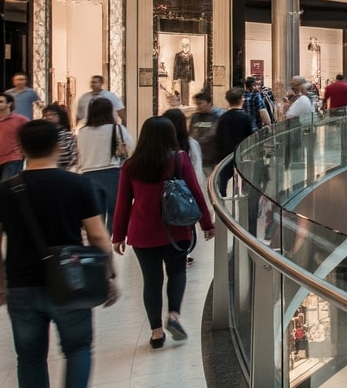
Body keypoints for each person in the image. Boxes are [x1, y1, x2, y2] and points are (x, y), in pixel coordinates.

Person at [0, 120, 117, 388]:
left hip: (22, 287)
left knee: (29, 355)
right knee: (78, 347)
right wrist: (108, 275)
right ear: (59, 147)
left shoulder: (2, 191)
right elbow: (98, 236)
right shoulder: (78, 186)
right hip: (72, 284)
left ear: (21, 149)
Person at [112, 117, 214, 348]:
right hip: (175, 228)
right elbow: (195, 192)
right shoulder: (178, 159)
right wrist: (206, 223)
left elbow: (122, 203)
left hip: (142, 232)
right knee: (177, 272)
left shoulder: (131, 165)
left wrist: (118, 235)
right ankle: (174, 315)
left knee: (152, 280)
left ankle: (156, 332)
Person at [73, 97, 130, 235]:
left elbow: (79, 153)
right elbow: (130, 148)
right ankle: (111, 239)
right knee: (114, 210)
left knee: (95, 212)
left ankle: (97, 240)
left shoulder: (82, 132)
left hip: (88, 174)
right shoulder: (116, 128)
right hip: (112, 172)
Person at [214, 87, 256, 197]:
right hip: (242, 155)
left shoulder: (222, 118)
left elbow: (218, 138)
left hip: (225, 155)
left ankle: (221, 202)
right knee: (245, 184)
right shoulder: (246, 118)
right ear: (242, 99)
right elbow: (250, 137)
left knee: (223, 182)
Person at [44, 104, 79, 170]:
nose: (50, 117)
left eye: (53, 114)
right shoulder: (43, 134)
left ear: (60, 116)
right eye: (47, 115)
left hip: (64, 168)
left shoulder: (66, 134)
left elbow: (73, 153)